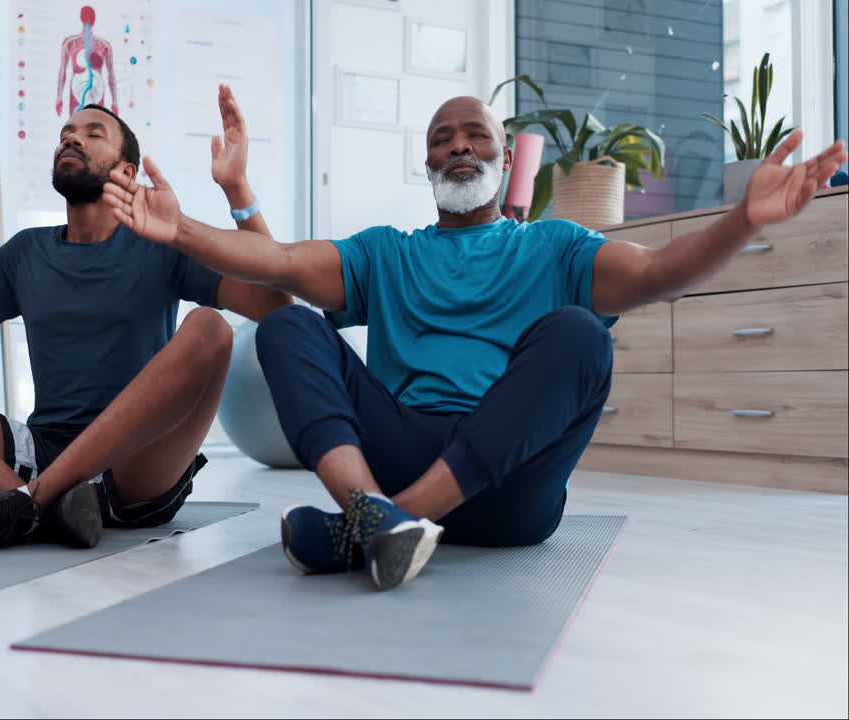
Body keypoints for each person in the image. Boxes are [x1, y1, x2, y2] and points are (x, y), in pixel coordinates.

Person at [103, 91, 848, 590]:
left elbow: (659, 273)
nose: (458, 148)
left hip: (509, 490)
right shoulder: (387, 252)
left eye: (475, 137)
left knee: (579, 336)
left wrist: (743, 220)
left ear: (499, 157)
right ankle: (373, 515)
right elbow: (282, 265)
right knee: (288, 325)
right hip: (398, 446)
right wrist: (189, 226)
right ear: (427, 164)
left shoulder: (556, 245)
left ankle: (386, 523)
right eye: (441, 140)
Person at [0, 92, 290, 552]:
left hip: (135, 465)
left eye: (91, 134)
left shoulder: (164, 239)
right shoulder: (26, 254)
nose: (71, 140)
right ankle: (41, 507)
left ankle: (22, 505)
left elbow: (277, 307)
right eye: (66, 136)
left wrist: (237, 189)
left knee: (210, 328)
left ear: (127, 172)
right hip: (41, 448)